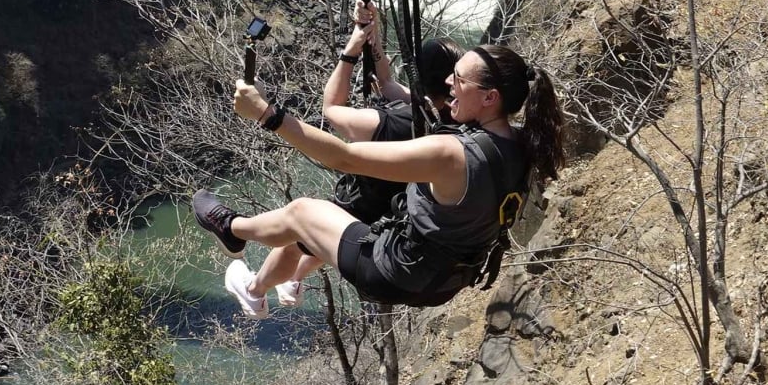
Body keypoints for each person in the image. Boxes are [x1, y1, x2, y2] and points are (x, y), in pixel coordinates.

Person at [193, 31, 566, 313]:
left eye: (460, 79)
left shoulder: (451, 152)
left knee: (302, 212)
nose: (450, 83)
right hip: (445, 281)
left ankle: (231, 228)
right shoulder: (524, 145)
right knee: (320, 226)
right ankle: (253, 262)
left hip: (393, 271)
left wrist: (266, 114)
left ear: (490, 98)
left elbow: (344, 157)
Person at [269, 2, 460, 311]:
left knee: (299, 234)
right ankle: (295, 279)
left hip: (366, 202)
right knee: (322, 247)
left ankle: (258, 287)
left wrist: (351, 51)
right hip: (398, 215)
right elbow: (386, 83)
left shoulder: (396, 121)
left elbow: (331, 108)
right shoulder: (449, 117)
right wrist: (374, 39)